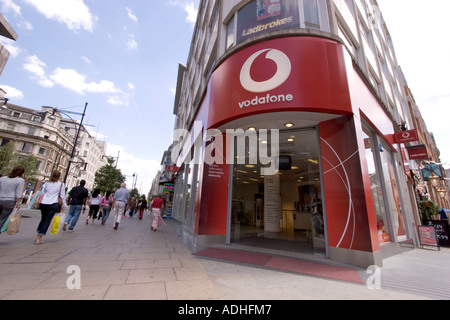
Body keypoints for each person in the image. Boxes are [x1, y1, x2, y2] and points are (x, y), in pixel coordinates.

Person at [36, 170, 66, 245]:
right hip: (53, 204)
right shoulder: (61, 184)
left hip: (44, 203)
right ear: (59, 176)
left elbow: (42, 192)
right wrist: (64, 205)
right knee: (47, 221)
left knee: (43, 219)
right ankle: (39, 238)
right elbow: (62, 196)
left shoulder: (46, 183)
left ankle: (38, 234)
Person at [0, 166, 25, 236]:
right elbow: (18, 193)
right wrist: (18, 204)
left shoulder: (2, 178)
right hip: (10, 201)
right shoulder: (20, 180)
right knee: (2, 219)